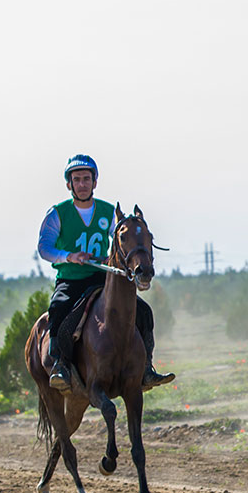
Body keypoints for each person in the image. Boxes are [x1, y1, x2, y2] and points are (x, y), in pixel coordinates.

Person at [37, 154, 175, 392]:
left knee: (143, 311)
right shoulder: (57, 213)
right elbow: (44, 248)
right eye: (77, 179)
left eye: (87, 179)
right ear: (69, 184)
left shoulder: (108, 212)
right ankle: (60, 364)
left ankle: (146, 368)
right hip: (71, 279)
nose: (82, 184)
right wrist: (69, 256)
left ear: (95, 182)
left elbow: (122, 242)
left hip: (103, 277)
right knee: (59, 309)